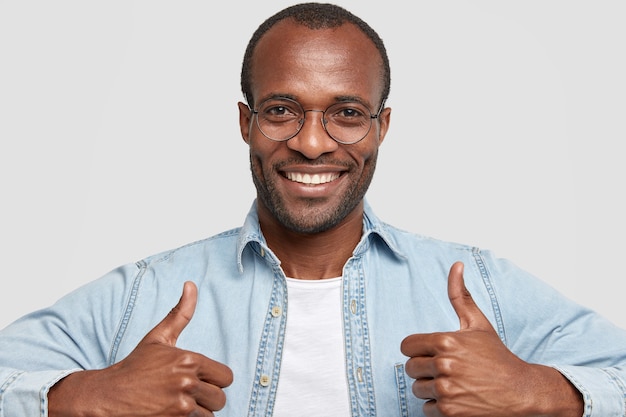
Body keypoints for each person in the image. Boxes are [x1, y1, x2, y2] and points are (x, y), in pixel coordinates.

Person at [1, 2, 625, 416]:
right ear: (245, 123)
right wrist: (85, 395)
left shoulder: (478, 285)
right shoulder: (143, 294)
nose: (312, 141)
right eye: (281, 110)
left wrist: (541, 391)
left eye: (347, 114)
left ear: (383, 127)